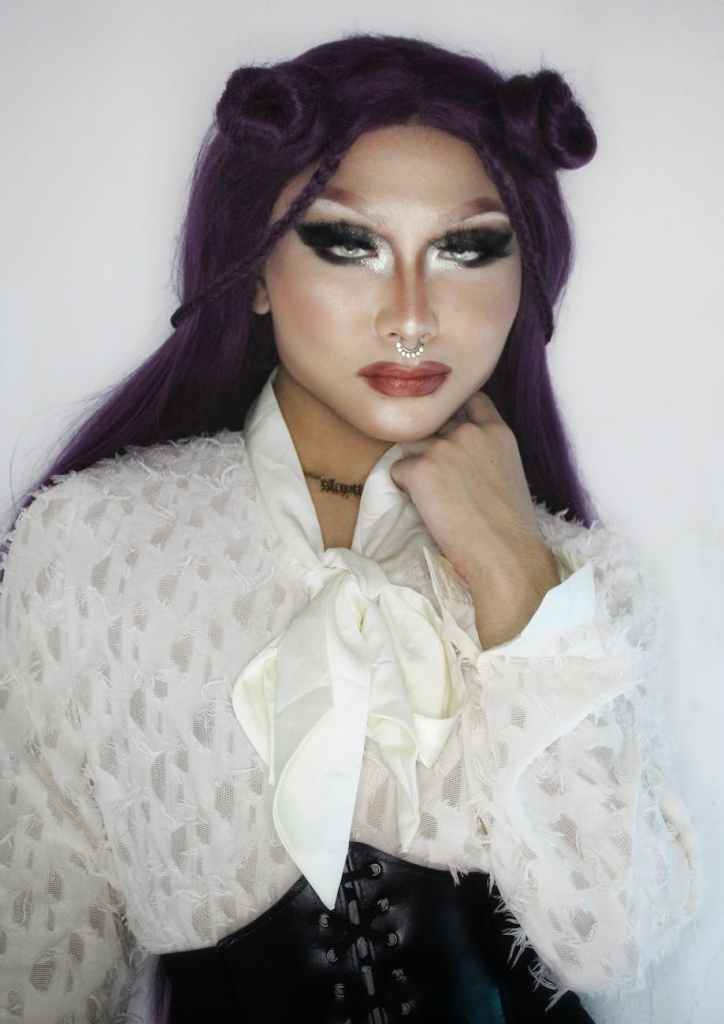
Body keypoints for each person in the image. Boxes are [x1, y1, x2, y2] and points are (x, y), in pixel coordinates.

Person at [0, 31, 701, 1024]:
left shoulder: (583, 589)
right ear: (254, 270)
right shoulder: (92, 550)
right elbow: (36, 964)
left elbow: (621, 941)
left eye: (467, 247)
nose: (411, 316)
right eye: (348, 244)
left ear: (525, 280)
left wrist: (513, 576)